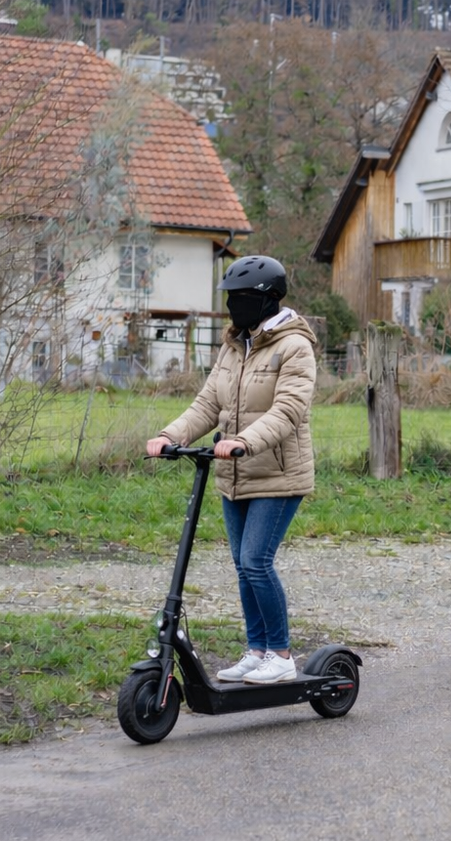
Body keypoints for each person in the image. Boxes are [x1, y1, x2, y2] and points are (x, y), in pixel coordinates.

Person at [146, 255, 317, 685]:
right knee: (242, 566)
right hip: (234, 473)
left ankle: (280, 655)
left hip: (277, 473)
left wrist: (244, 441)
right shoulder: (232, 345)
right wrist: (170, 434)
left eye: (241, 298)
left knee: (256, 561)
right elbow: (208, 404)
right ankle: (256, 651)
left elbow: (289, 410)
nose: (233, 307)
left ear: (268, 299)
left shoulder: (294, 347)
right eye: (230, 298)